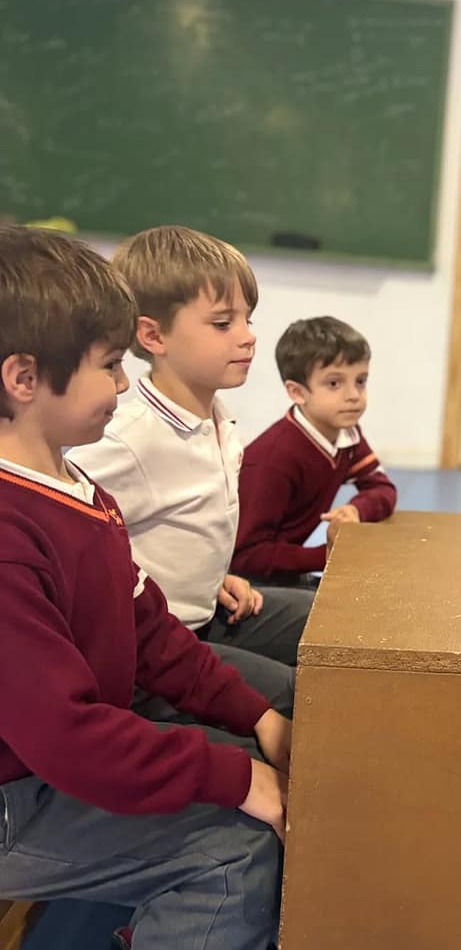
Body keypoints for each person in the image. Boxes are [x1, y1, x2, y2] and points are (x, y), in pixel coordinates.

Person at [0, 226, 288, 950]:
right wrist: (234, 777)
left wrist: (255, 717)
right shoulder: (9, 532)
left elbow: (151, 632)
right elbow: (66, 736)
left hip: (48, 767)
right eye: (108, 366)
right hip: (17, 799)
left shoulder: (73, 485)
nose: (125, 385)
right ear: (24, 378)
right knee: (235, 852)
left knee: (254, 770)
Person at [71, 226, 310, 673]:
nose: (248, 337)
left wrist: (211, 579)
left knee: (333, 621)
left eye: (248, 320)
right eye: (223, 324)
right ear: (153, 336)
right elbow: (62, 533)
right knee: (299, 695)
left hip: (207, 613)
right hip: (154, 652)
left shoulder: (217, 420)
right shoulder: (130, 439)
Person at [232, 315, 397, 587]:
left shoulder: (347, 434)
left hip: (281, 573)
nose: (353, 395)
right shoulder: (275, 458)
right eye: (334, 383)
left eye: (360, 381)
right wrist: (326, 555)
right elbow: (246, 555)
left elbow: (382, 488)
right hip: (246, 583)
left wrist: (356, 511)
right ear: (297, 393)